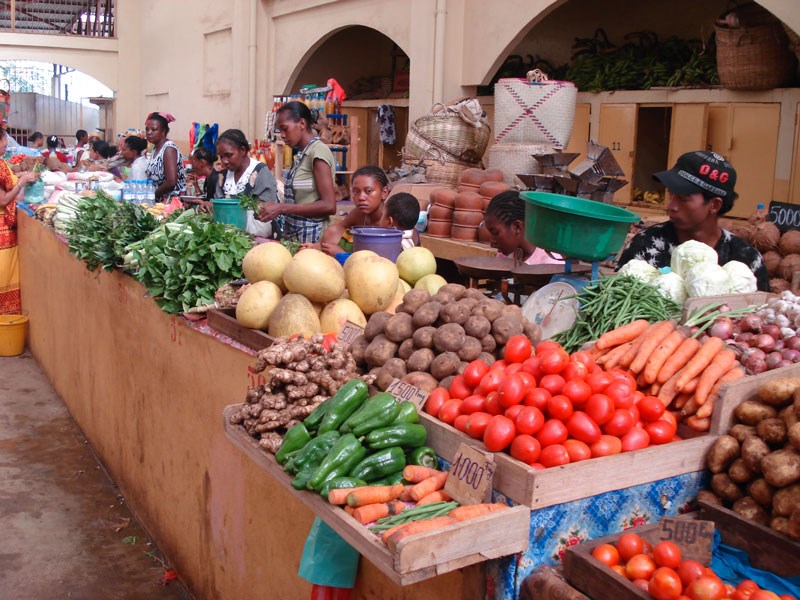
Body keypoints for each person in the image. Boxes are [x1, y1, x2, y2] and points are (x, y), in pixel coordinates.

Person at [616, 150, 770, 291]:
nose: (671, 206)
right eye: (671, 195)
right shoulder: (646, 246)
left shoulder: (746, 259)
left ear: (715, 205)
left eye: (683, 198)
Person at [257, 101, 336, 243]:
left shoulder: (318, 152)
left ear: (302, 123)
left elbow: (329, 205)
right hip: (296, 236)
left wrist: (282, 208)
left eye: (285, 129)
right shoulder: (301, 155)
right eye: (279, 130)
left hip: (312, 238)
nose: (282, 135)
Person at [0, 125, 39, 314]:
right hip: (2, 234)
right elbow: (3, 200)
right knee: (4, 275)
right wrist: (22, 182)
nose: (6, 145)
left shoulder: (2, 163)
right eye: (4, 140)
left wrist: (21, 175)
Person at [214, 128, 277, 236]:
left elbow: (267, 208)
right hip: (229, 237)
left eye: (229, 155)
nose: (224, 161)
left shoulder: (260, 172)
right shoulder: (222, 177)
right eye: (221, 157)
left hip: (257, 236)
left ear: (243, 150)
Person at [317, 165, 390, 255]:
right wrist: (317, 246)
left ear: (384, 193)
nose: (361, 197)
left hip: (384, 260)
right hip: (360, 256)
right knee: (333, 231)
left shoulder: (391, 219)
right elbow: (337, 229)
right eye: (356, 192)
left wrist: (342, 254)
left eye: (368, 191)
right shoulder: (359, 213)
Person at [484, 190, 564, 265]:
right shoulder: (505, 256)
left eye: (495, 233)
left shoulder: (549, 264)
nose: (492, 241)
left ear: (517, 227)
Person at [144, 112, 186, 202]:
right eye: (147, 129)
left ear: (163, 132)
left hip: (171, 201)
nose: (149, 133)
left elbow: (171, 182)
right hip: (159, 200)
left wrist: (153, 194)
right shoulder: (155, 148)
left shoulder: (168, 149)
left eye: (153, 129)